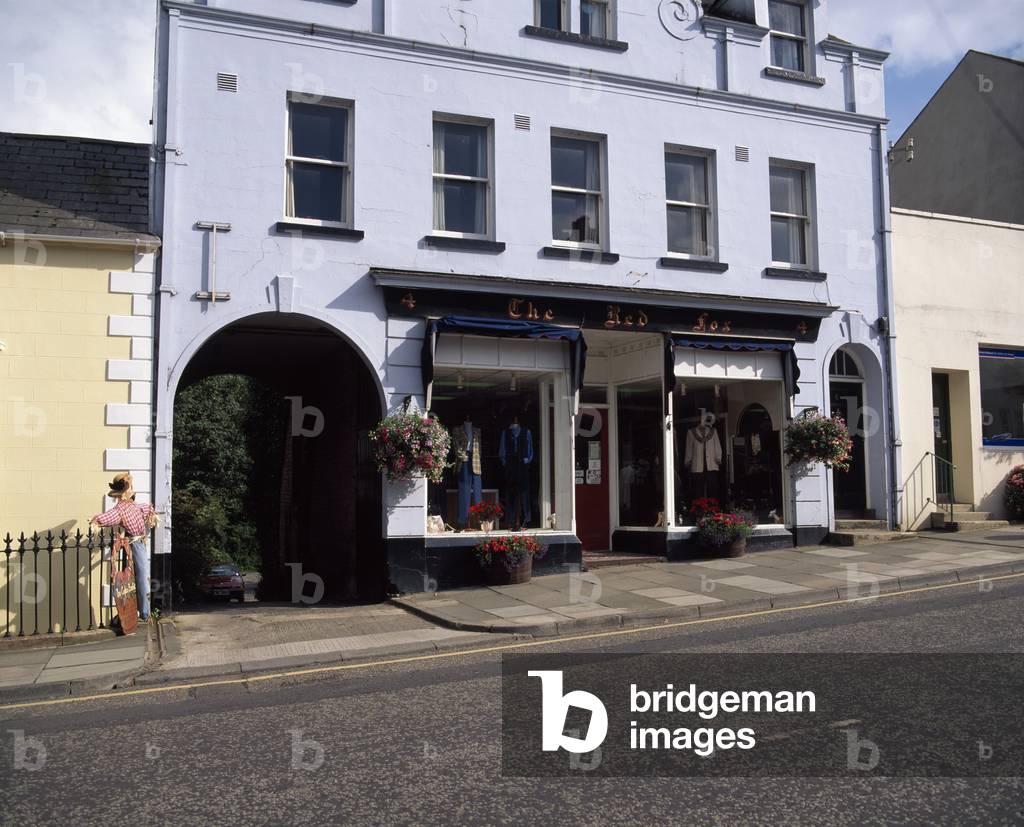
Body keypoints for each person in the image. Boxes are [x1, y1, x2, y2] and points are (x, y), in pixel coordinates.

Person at [90, 472, 157, 623]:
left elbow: (146, 509)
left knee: (139, 576)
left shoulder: (134, 507)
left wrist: (151, 513)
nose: (133, 490)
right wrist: (97, 520)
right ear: (126, 491)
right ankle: (144, 613)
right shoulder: (120, 510)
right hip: (135, 544)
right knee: (141, 577)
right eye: (131, 487)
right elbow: (109, 517)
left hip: (138, 543)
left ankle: (140, 611)